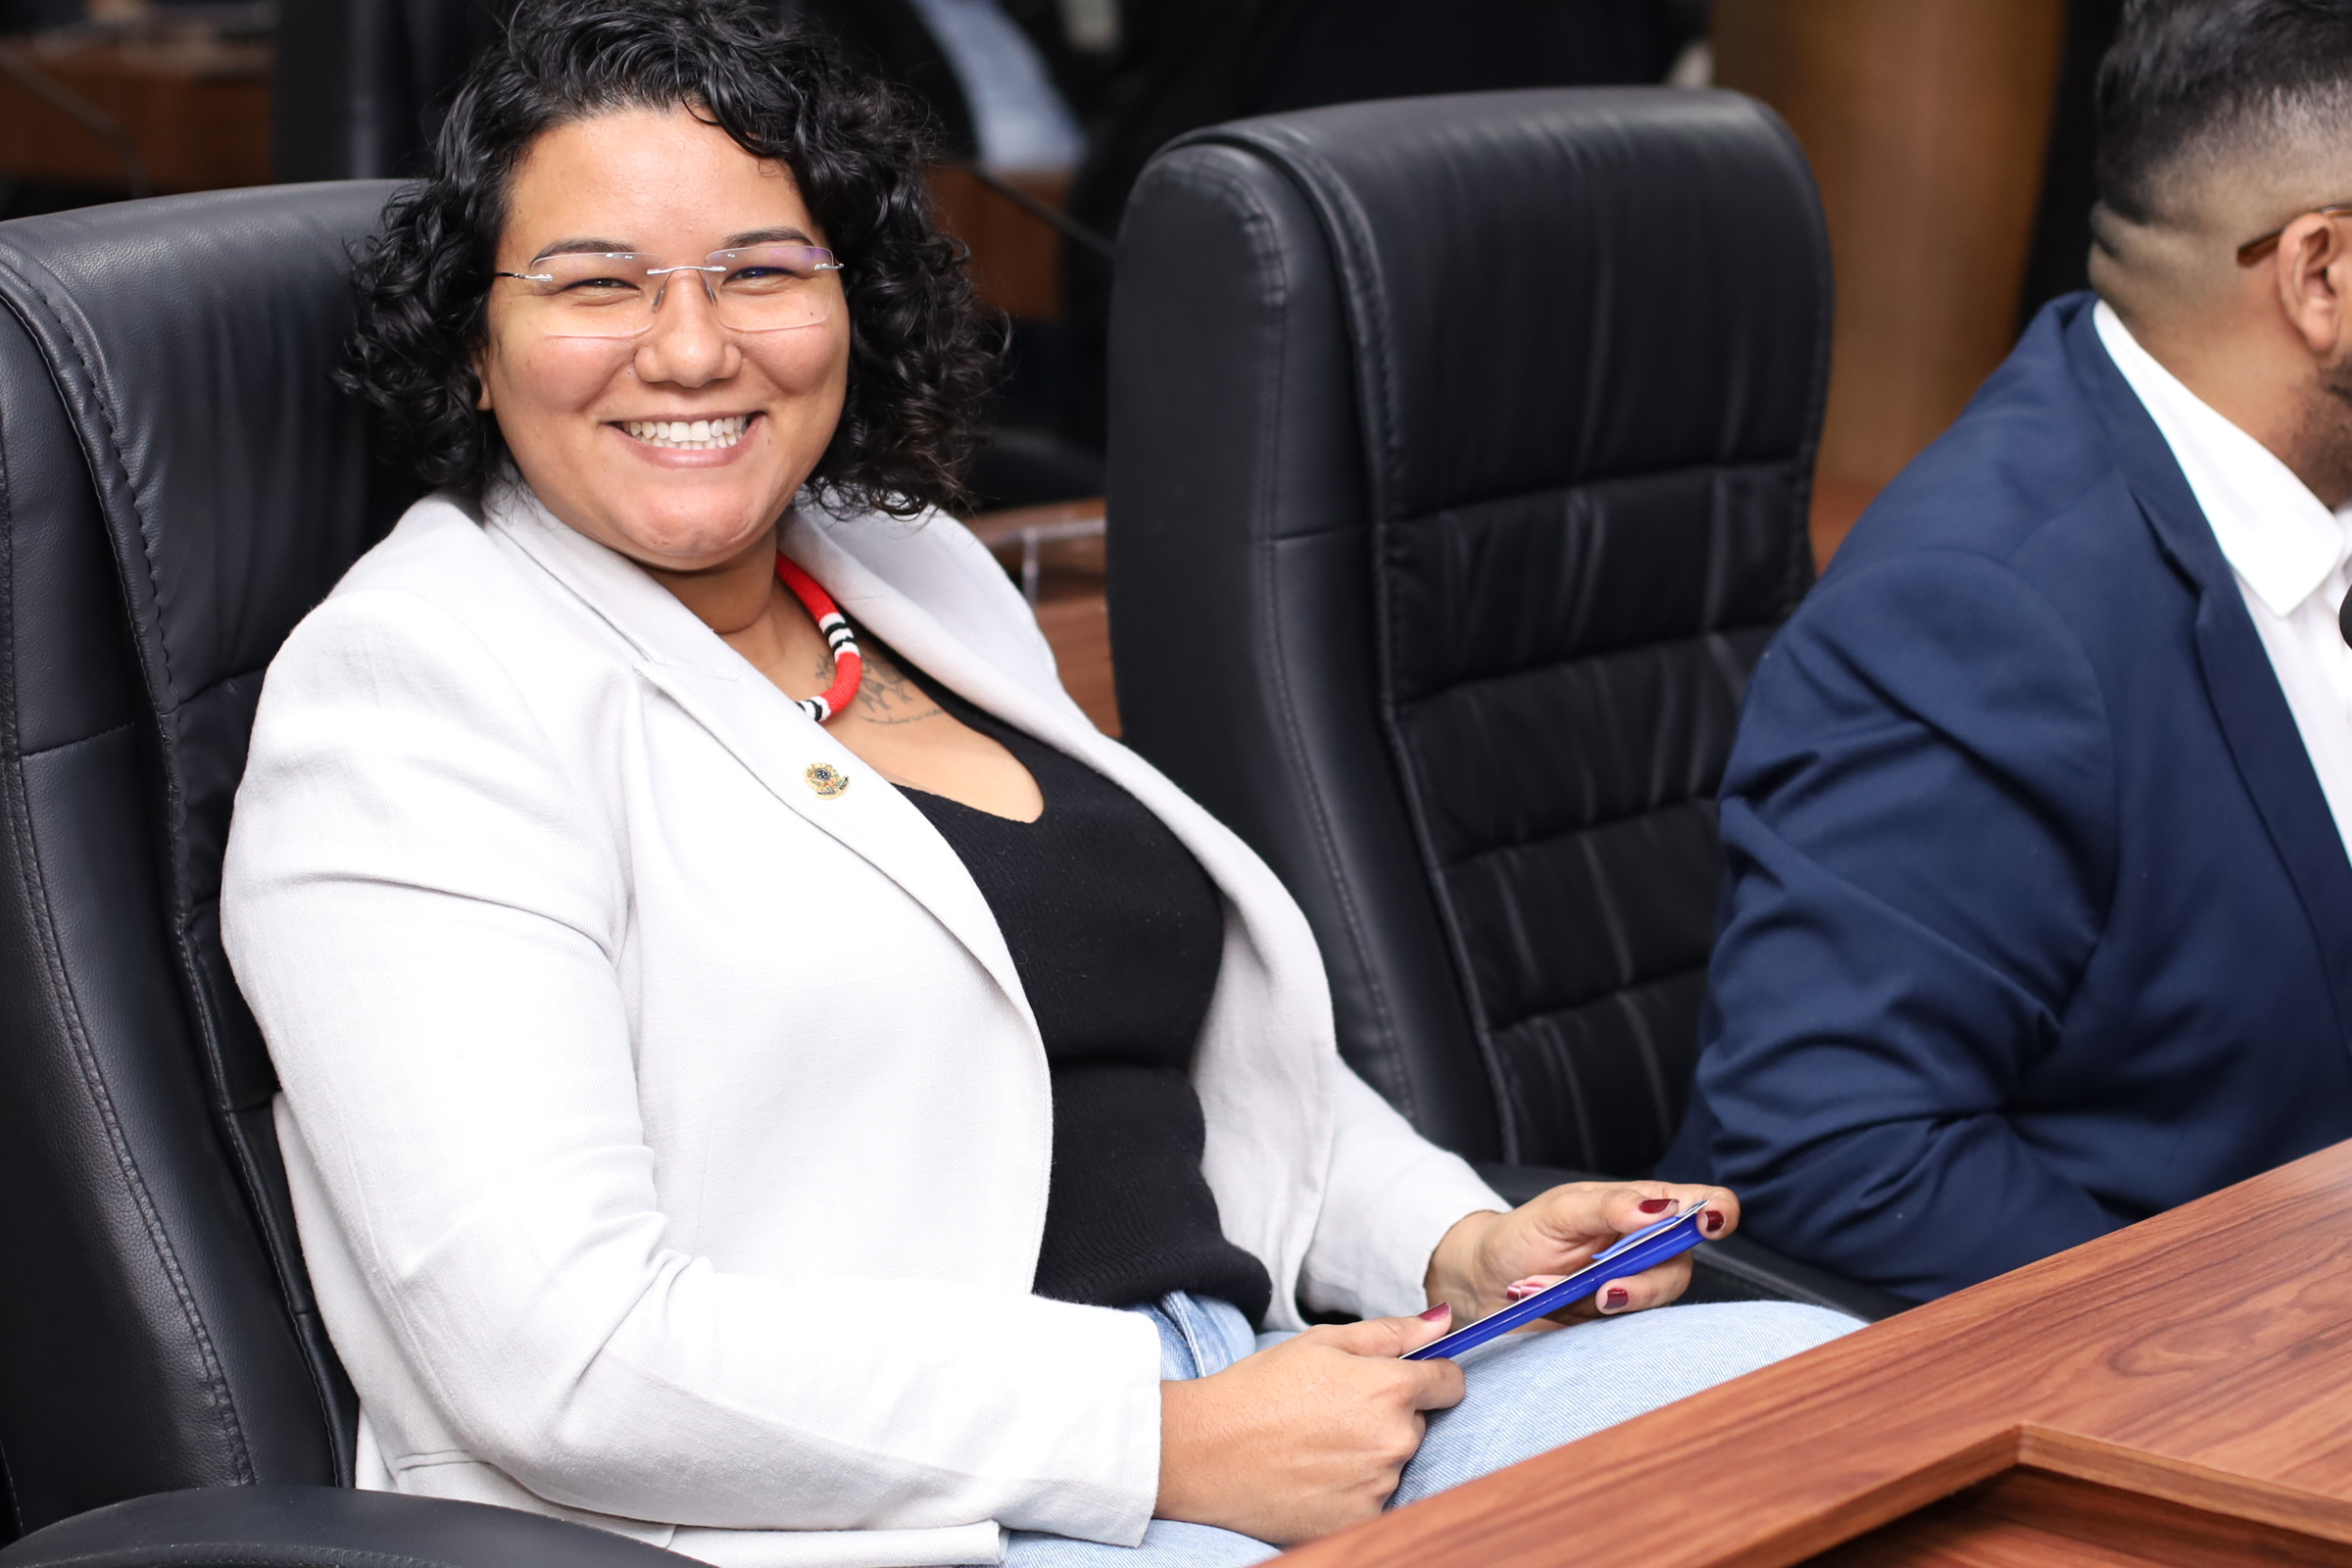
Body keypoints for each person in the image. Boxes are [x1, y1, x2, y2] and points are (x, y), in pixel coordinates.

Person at [219, 3, 1854, 1566]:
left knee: (1842, 1417)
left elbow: (1165, 1062)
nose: (694, 347)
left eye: (763, 270)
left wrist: (1454, 1240)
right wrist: (1163, 1439)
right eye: (596, 284)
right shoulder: (410, 695)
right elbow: (557, 1357)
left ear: (852, 302)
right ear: (475, 341)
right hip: (875, 1518)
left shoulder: (904, 569)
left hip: (1257, 1392)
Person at [1661, 0, 2352, 1303]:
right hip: (2156, 1369)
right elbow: (1837, 1151)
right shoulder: (1978, 615)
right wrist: (2249, 1341)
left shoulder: (2296, 492)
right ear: (2319, 274)